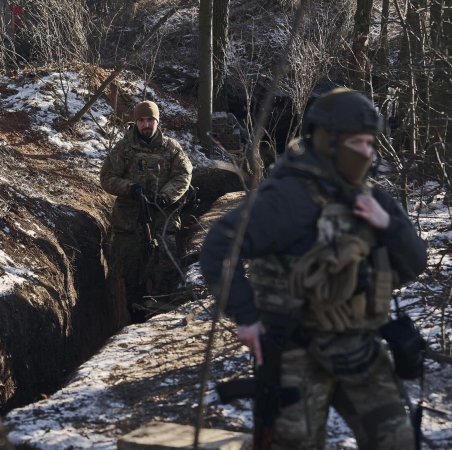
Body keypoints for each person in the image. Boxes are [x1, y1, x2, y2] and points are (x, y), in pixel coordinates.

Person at [200, 88, 427, 449]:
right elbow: (216, 247)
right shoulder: (286, 198)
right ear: (328, 141)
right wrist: (246, 316)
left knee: (398, 440)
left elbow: (415, 262)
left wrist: (389, 225)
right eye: (358, 143)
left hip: (359, 349)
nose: (368, 153)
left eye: (371, 143)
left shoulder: (371, 197)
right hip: (294, 353)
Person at [100, 100, 193, 323]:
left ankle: (160, 320)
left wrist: (164, 196)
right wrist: (131, 189)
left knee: (165, 275)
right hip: (130, 226)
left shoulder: (171, 148)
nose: (146, 124)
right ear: (135, 122)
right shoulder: (123, 148)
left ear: (157, 121)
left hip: (163, 224)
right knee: (132, 279)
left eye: (150, 119)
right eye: (141, 120)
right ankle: (136, 321)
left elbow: (184, 175)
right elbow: (107, 178)